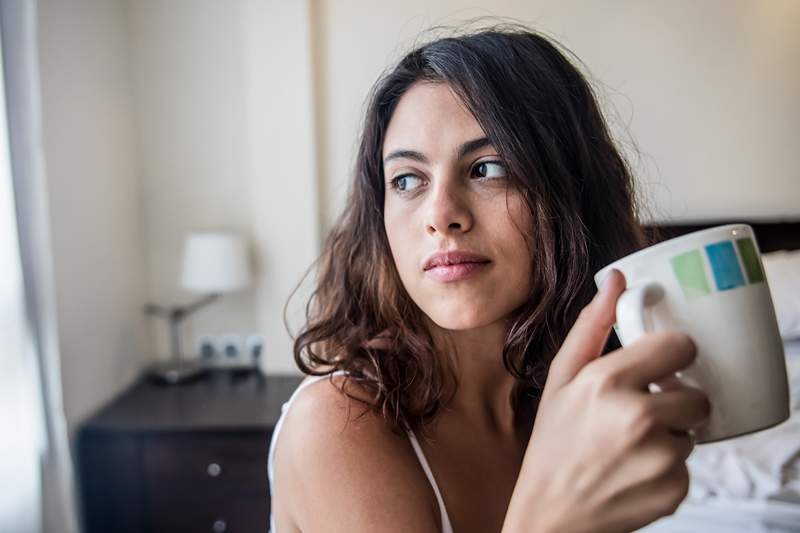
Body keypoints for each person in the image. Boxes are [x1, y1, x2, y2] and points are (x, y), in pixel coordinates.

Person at [267, 24, 711, 533]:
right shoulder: (340, 425)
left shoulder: (568, 406)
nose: (441, 216)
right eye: (407, 180)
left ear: (570, 191)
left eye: (487, 168)